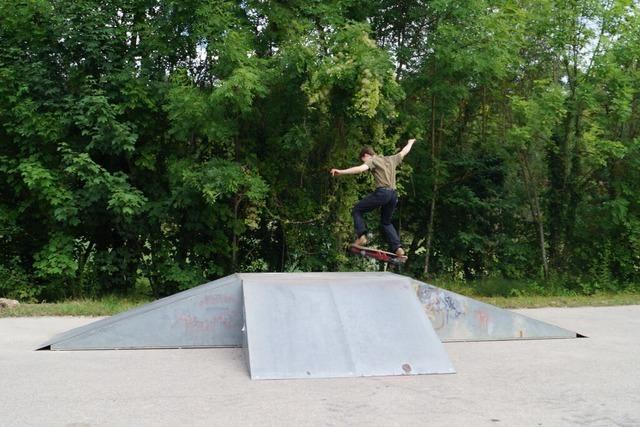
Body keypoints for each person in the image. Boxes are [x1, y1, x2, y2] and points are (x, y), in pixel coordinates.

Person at [330, 138, 416, 257]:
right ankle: (398, 248)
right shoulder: (391, 159)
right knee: (386, 222)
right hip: (393, 195)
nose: (364, 162)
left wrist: (341, 172)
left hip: (383, 193)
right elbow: (404, 151)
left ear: (366, 155)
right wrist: (410, 142)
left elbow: (360, 169)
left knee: (357, 210)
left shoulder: (372, 160)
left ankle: (362, 236)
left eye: (363, 160)